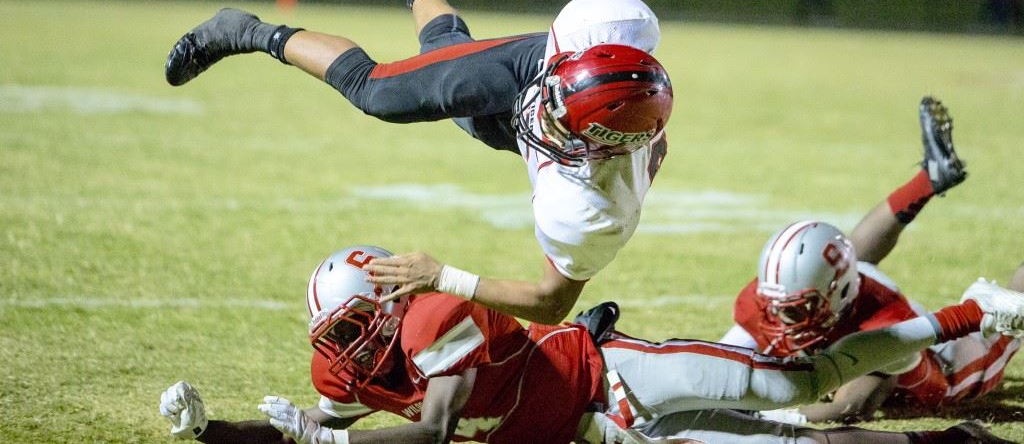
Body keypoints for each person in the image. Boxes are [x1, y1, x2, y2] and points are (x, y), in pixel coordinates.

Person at [164, 0, 673, 325]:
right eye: (555, 97)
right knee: (379, 92)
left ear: (591, 148)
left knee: (442, 57)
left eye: (556, 120)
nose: (546, 106)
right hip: (534, 64)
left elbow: (549, 302)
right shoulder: (612, 28)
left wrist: (443, 277)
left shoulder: (592, 211)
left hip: (539, 132)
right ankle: (243, 30)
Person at [159, 244, 1024, 444]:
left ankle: (965, 315)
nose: (346, 351)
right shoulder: (346, 362)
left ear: (389, 310)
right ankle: (947, 441)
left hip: (617, 372)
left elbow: (426, 433)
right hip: (599, 433)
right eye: (336, 335)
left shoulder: (429, 319)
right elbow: (320, 420)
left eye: (354, 326)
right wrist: (219, 431)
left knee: (791, 382)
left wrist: (324, 440)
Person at [721, 97, 1022, 423]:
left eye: (798, 307)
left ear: (839, 295)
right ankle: (928, 180)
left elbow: (853, 405)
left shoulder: (882, 327)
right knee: (842, 259)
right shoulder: (777, 296)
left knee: (1008, 317)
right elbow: (719, 364)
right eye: (779, 304)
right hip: (850, 301)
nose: (780, 318)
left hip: (946, 366)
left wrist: (765, 418)